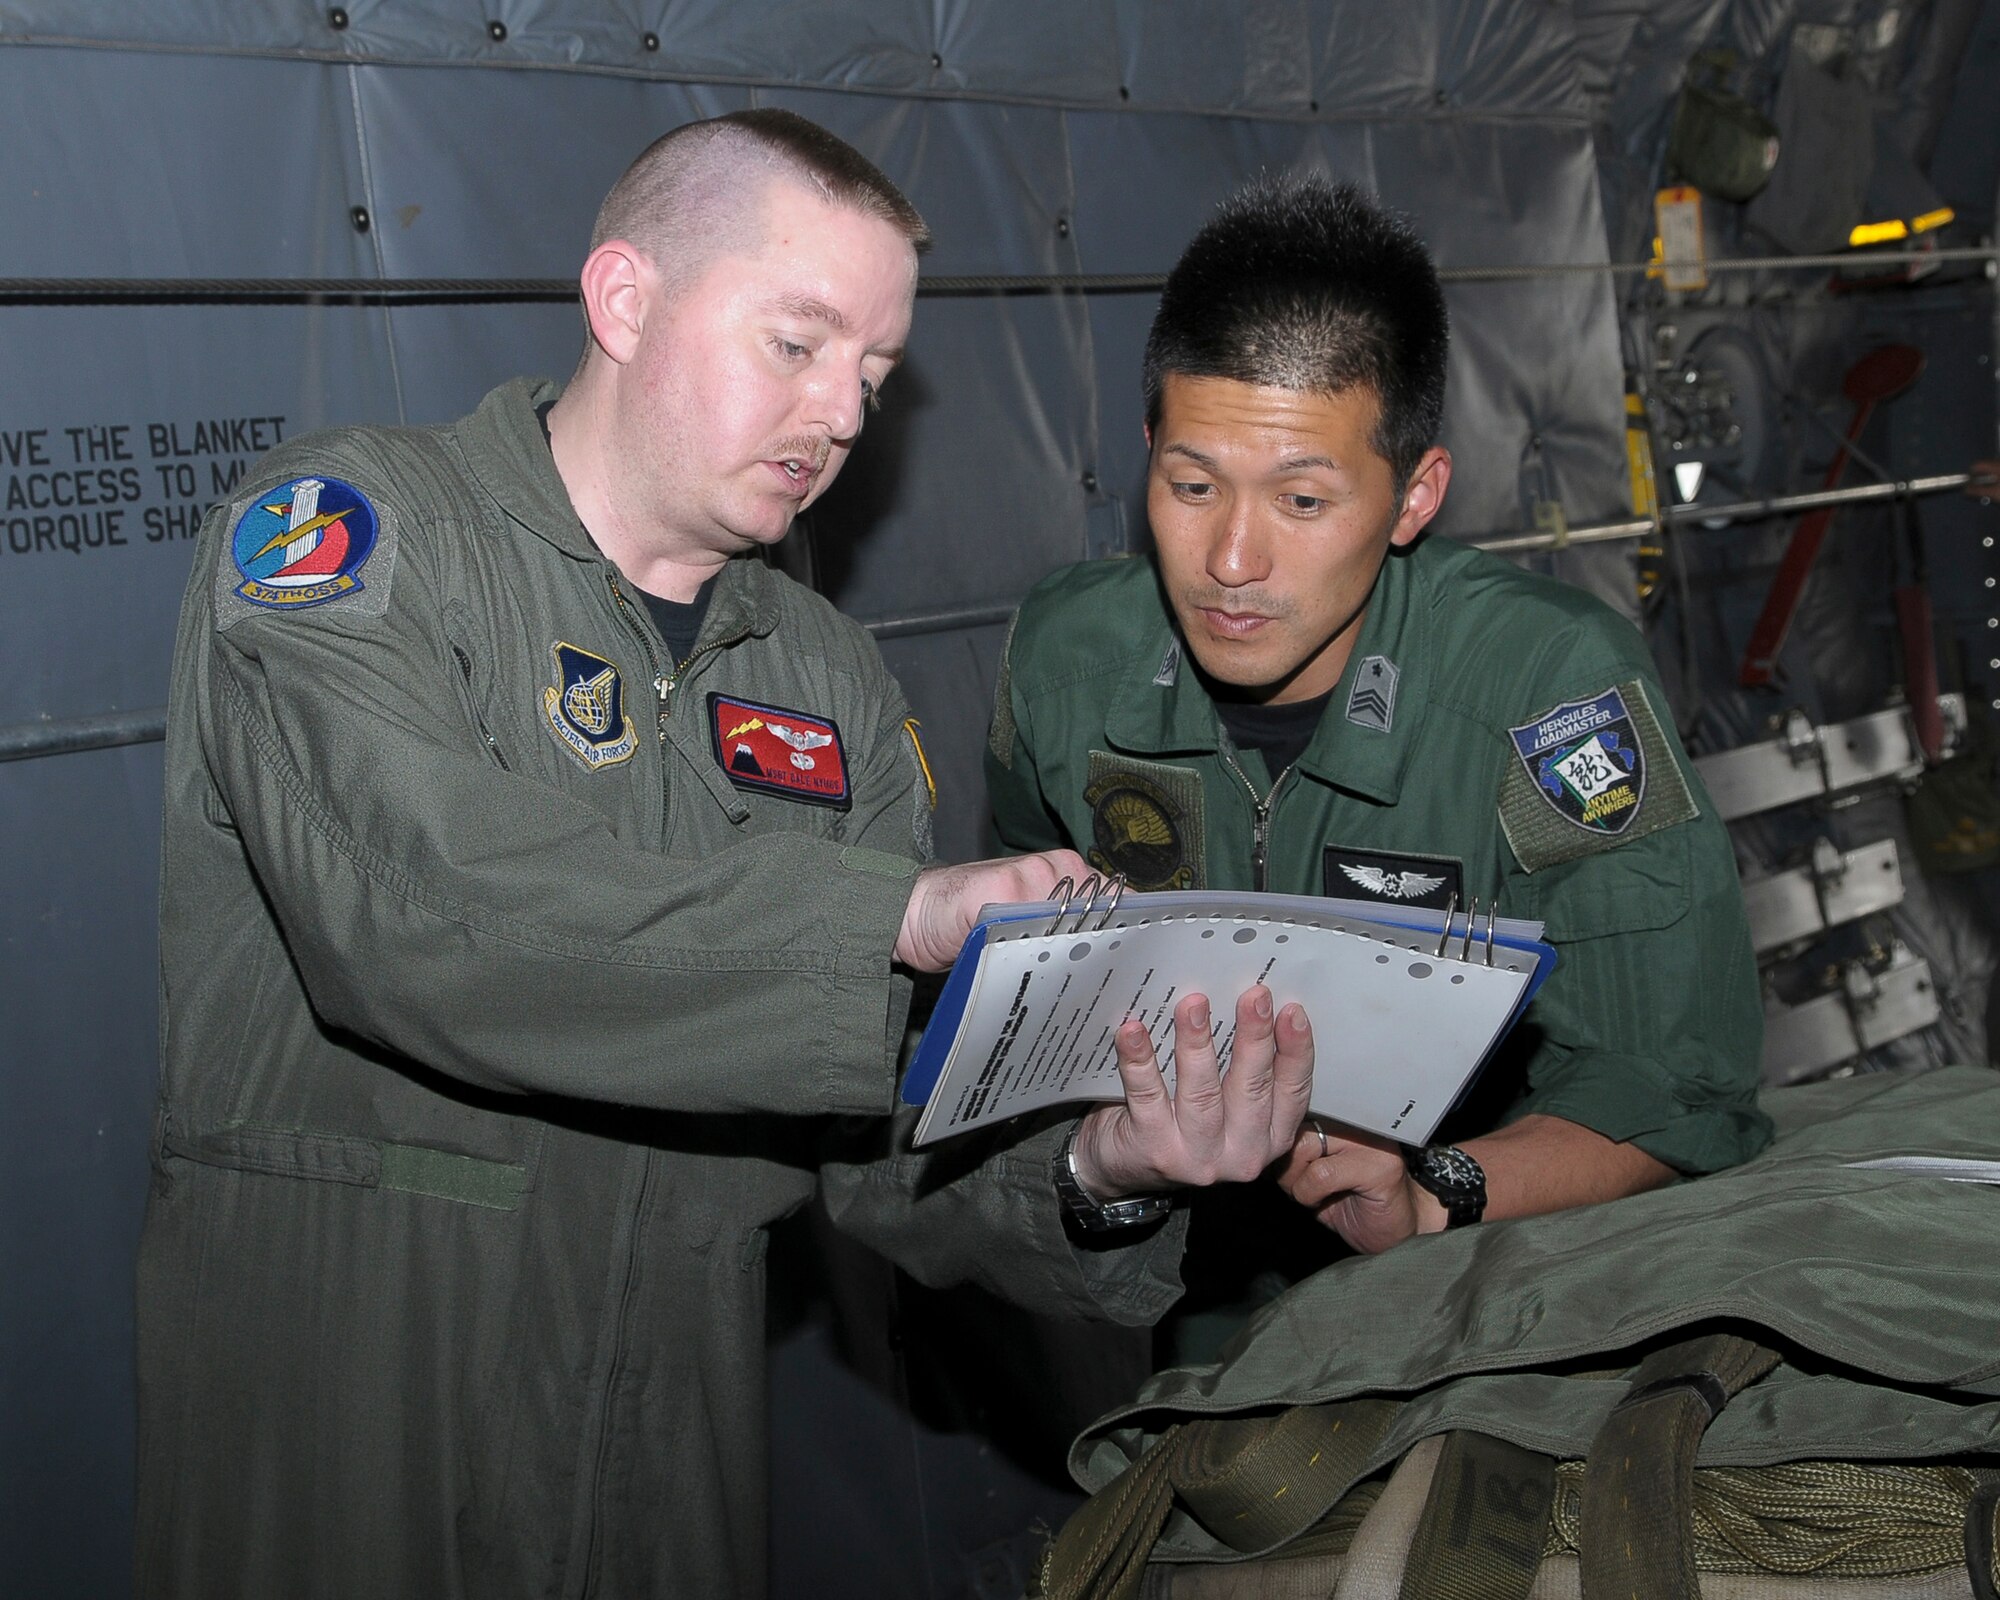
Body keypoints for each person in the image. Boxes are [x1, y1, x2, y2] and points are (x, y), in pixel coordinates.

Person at [134, 111, 1314, 1599]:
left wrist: (1103, 1164)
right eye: (799, 345)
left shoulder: (820, 675)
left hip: (664, 1432)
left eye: (874, 379)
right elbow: (419, 908)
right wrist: (897, 912)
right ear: (625, 299)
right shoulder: (358, 536)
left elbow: (882, 1139)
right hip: (357, 1401)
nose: (839, 415)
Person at [986, 174, 1770, 1360]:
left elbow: (1672, 1085)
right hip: (1203, 1327)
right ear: (1145, 449)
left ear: (1413, 495)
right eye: (1189, 486)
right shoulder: (1064, 666)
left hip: (1506, 1306)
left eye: (1301, 498)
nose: (1230, 559)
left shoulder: (1543, 692)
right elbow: (1015, 995)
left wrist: (1438, 1190)